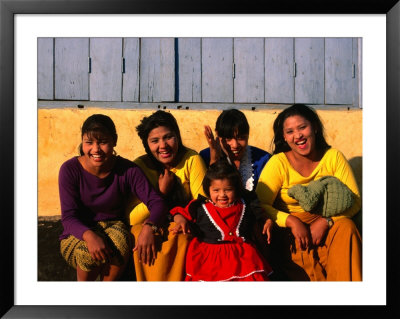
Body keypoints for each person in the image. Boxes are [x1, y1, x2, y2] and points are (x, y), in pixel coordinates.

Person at [255, 104, 362, 281]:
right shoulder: (278, 163)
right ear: (284, 137)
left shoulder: (333, 157)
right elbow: (259, 204)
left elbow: (355, 201)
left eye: (302, 127)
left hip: (330, 229)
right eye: (290, 131)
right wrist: (291, 221)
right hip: (294, 235)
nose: (298, 136)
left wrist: (326, 221)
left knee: (346, 227)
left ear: (315, 128)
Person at [58, 114, 168, 281]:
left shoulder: (128, 170)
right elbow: (68, 217)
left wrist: (150, 227)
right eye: (89, 143)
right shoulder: (69, 170)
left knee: (121, 242)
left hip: (114, 227)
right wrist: (89, 236)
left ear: (114, 140)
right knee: (88, 253)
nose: (95, 149)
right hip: (77, 231)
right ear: (82, 142)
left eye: (102, 142)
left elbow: (156, 202)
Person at [130, 110, 207, 281]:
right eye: (155, 141)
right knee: (137, 234)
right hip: (148, 224)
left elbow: (203, 203)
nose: (163, 145)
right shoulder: (139, 167)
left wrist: (180, 214)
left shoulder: (191, 159)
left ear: (178, 136)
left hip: (184, 223)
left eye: (168, 137)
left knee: (180, 236)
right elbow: (132, 217)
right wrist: (160, 194)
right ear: (146, 145)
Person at [170, 160, 273, 281]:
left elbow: (261, 214)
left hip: (243, 258)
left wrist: (267, 221)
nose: (222, 195)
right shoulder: (199, 207)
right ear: (208, 189)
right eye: (216, 190)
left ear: (236, 188)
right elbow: (177, 213)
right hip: (209, 261)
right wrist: (181, 220)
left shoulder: (246, 204)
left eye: (228, 190)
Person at [200, 108, 271, 192]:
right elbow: (206, 193)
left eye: (241, 138)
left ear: (248, 136)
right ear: (218, 135)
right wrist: (214, 158)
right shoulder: (205, 157)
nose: (235, 145)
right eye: (228, 139)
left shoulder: (263, 159)